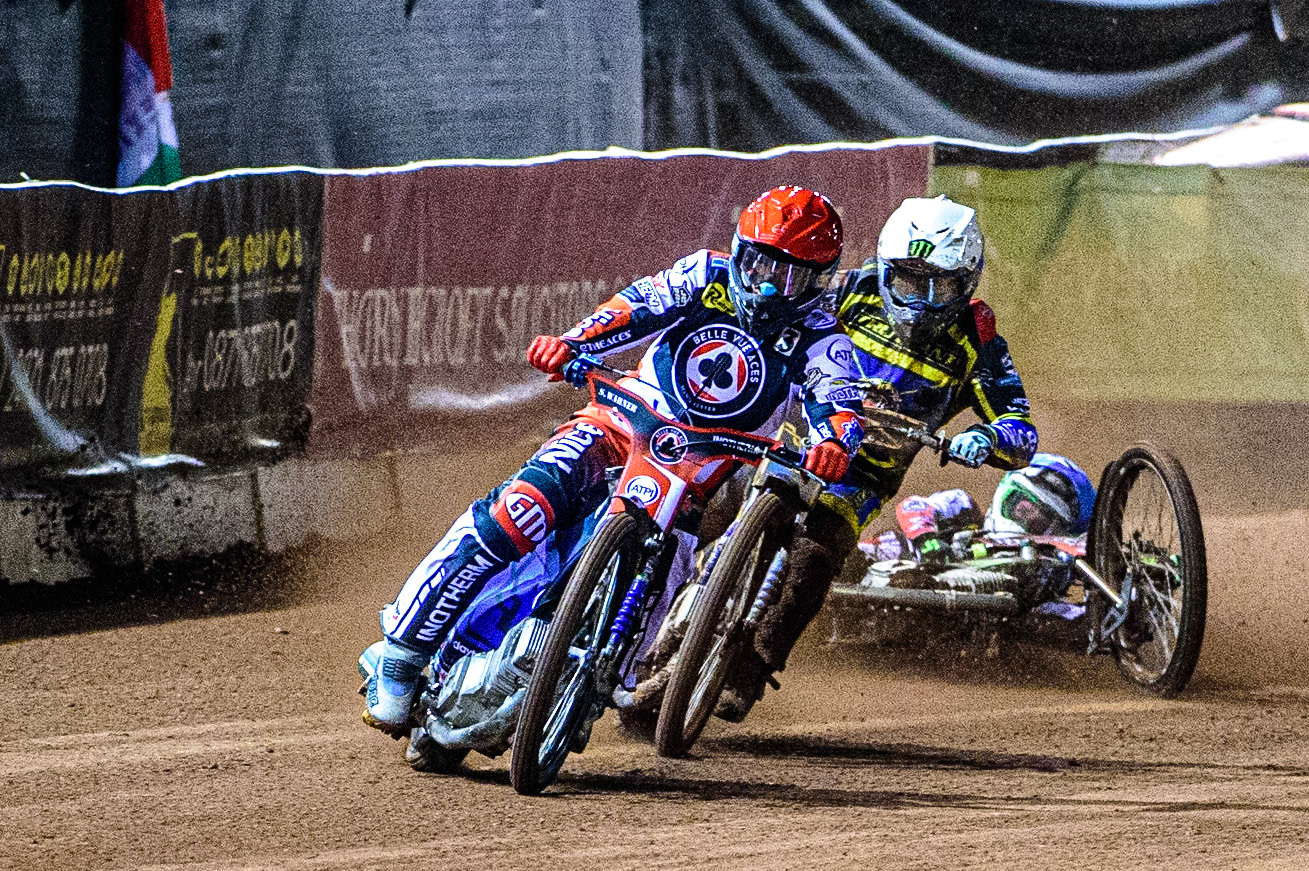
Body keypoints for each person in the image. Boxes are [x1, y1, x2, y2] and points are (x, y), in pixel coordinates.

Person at [360, 185, 867, 736]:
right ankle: (401, 654)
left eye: (790, 276)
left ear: (819, 280)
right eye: (759, 263)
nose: (768, 284)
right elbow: (636, 306)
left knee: (648, 617)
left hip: (692, 478)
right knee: (519, 510)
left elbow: (840, 403)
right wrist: (573, 343)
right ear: (739, 250)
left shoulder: (825, 338)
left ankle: (588, 690)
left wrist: (835, 444)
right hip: (619, 425)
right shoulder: (705, 274)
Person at [712, 193, 1041, 721]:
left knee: (815, 558)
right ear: (885, 270)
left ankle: (753, 668)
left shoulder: (978, 343)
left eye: (939, 287)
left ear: (967, 284)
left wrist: (987, 438)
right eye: (908, 282)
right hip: (794, 432)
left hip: (865, 472)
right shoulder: (851, 289)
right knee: (704, 501)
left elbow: (1020, 430)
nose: (920, 302)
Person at [868, 453, 1098, 566]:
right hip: (917, 573)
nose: (1030, 517)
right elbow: (912, 506)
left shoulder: (1044, 561)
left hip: (1004, 607)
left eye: (1043, 521)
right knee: (892, 544)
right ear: (1009, 494)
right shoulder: (962, 506)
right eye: (1026, 507)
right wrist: (928, 542)